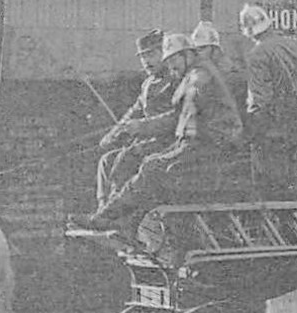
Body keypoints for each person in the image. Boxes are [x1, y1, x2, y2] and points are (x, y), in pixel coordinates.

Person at [85, 31, 246, 231]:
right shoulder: (193, 74)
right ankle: (114, 216)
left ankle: (116, 218)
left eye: (173, 60)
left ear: (186, 55)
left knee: (152, 165)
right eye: (168, 62)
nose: (171, 67)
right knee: (145, 162)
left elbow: (176, 117)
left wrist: (141, 127)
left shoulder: (199, 77)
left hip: (213, 141)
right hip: (200, 139)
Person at [239, 2, 297, 191]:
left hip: (272, 132)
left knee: (268, 189)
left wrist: (251, 131)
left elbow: (260, 100)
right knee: (296, 187)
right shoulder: (295, 46)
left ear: (248, 31)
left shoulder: (257, 54)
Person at [95, 28, 176, 206]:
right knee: (106, 160)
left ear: (165, 53)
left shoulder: (175, 80)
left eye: (152, 54)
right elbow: (135, 111)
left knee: (127, 157)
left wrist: (141, 126)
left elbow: (176, 117)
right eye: (142, 57)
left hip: (170, 141)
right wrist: (114, 133)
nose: (146, 61)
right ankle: (103, 206)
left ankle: (116, 210)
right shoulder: (147, 84)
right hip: (149, 141)